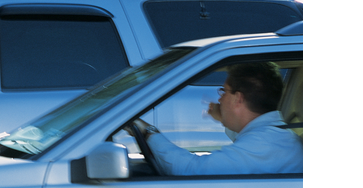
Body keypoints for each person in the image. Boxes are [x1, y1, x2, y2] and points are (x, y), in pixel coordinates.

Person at [127, 62, 303, 176]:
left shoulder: (263, 144)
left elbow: (190, 171)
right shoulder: (275, 136)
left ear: (237, 99)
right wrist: (225, 118)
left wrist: (148, 131)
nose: (219, 98)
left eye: (223, 91)